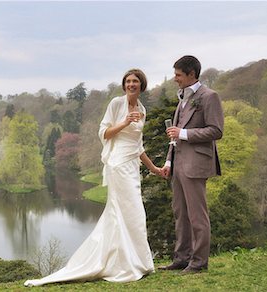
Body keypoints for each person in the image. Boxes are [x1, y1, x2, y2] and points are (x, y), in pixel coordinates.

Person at [24, 68, 160, 287]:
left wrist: (153, 168)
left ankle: (137, 262)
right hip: (117, 164)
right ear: (124, 84)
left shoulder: (142, 109)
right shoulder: (116, 104)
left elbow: (138, 145)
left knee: (133, 214)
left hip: (132, 166)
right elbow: (103, 134)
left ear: (142, 85)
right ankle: (125, 265)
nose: (131, 84)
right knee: (126, 211)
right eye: (128, 81)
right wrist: (124, 122)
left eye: (135, 81)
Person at [159, 55, 224, 274]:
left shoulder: (209, 96)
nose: (175, 79)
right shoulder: (182, 99)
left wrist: (184, 133)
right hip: (178, 165)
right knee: (180, 213)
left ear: (191, 75)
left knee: (197, 216)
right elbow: (174, 135)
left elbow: (216, 131)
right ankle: (181, 258)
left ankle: (198, 263)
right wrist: (169, 160)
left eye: (178, 75)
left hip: (196, 164)